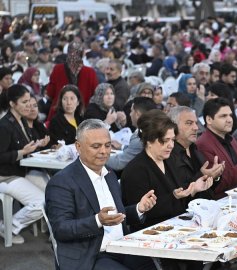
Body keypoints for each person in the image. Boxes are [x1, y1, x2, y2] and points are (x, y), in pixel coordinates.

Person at [45, 119, 157, 270]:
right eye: (96, 146)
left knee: (156, 265)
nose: (104, 151)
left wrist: (139, 208)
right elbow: (61, 229)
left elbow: (115, 217)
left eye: (108, 145)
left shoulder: (109, 174)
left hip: (120, 247)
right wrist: (97, 220)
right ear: (78, 146)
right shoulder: (61, 182)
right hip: (90, 255)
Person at [121, 110, 213, 231]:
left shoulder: (170, 160)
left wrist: (194, 189)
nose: (171, 145)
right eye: (165, 141)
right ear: (149, 141)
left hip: (177, 228)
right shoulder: (135, 170)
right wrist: (174, 196)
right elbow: (141, 213)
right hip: (150, 235)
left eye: (172, 140)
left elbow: (179, 197)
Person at [0, 84, 50, 245]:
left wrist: (37, 145)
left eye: (29, 100)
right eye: (24, 102)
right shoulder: (5, 125)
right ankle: (7, 227)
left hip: (20, 171)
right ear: (12, 104)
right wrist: (22, 152)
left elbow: (23, 147)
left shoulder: (21, 120)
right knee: (40, 202)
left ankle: (53, 229)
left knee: (52, 190)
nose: (29, 105)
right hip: (5, 176)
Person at [167, 106, 224, 195]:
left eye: (196, 123)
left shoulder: (194, 148)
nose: (196, 127)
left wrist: (215, 176)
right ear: (174, 127)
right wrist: (202, 175)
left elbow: (208, 190)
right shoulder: (168, 154)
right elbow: (178, 193)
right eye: (189, 123)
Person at [45, 41, 98, 121]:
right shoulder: (90, 72)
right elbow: (95, 95)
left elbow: (50, 93)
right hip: (83, 115)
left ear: (68, 52)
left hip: (60, 115)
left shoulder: (57, 69)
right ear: (83, 54)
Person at [106, 97, 156, 172]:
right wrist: (122, 147)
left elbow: (118, 163)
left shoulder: (140, 136)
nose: (129, 114)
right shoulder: (152, 129)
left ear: (137, 114)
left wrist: (96, 157)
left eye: (131, 111)